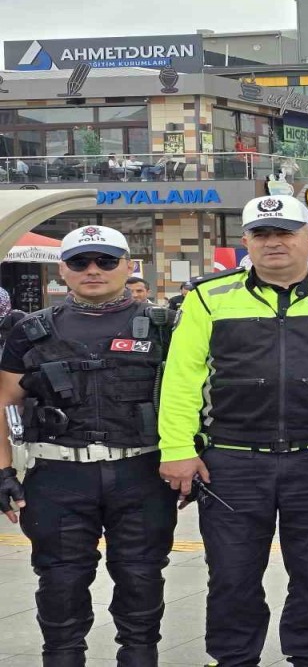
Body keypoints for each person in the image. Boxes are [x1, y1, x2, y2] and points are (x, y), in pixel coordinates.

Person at [157, 195, 308, 667]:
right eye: (261, 234)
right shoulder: (208, 296)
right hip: (232, 462)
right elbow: (181, 378)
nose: (273, 242)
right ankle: (234, 658)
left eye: (285, 232)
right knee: (233, 575)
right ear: (245, 242)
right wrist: (176, 447)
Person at [0, 226, 177, 666]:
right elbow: (2, 400)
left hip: (141, 474)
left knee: (141, 583)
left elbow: (191, 397)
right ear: (63, 269)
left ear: (128, 265)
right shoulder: (32, 330)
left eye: (105, 261)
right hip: (59, 477)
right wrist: (2, 471)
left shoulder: (164, 326)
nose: (92, 270)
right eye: (80, 262)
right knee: (60, 589)